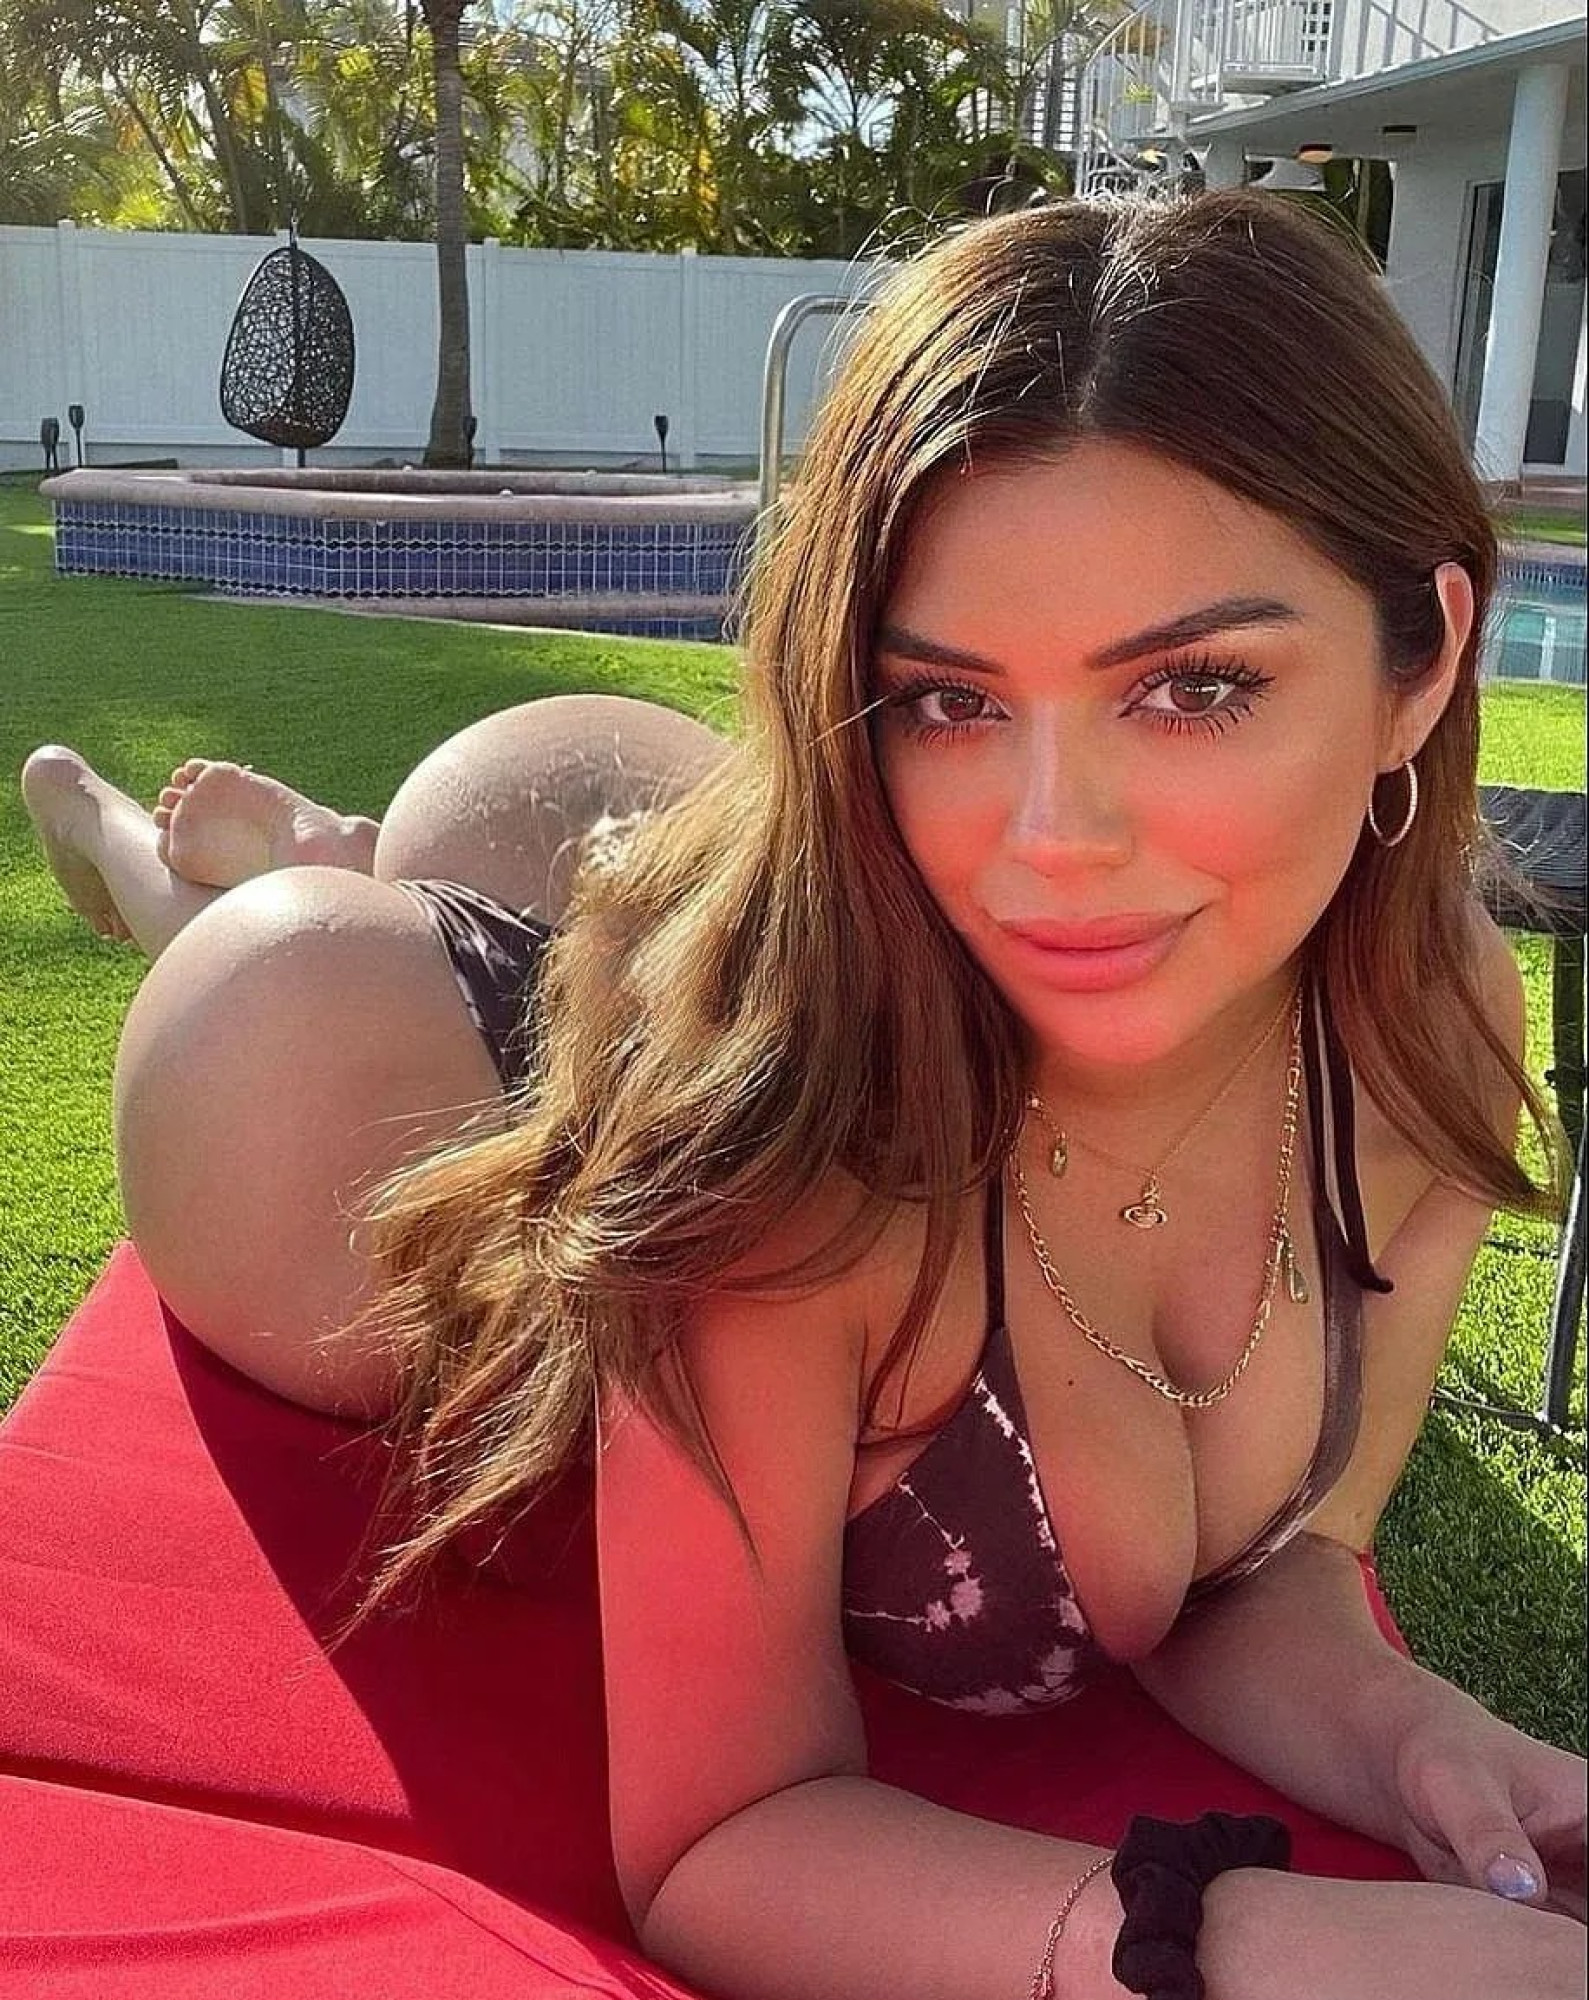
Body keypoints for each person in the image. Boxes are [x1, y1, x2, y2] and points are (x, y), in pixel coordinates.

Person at [20, 190, 1586, 2000]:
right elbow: (719, 1838)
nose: (1052, 842)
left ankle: (419, 852)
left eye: (1194, 686)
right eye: (946, 702)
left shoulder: (1425, 1027)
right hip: (334, 1052)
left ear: (1423, 661)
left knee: (618, 870)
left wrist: (1417, 1738)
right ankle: (165, 861)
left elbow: (1282, 1568)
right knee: (275, 975)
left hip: (673, 884)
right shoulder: (783, 1158)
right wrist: (1231, 1949)